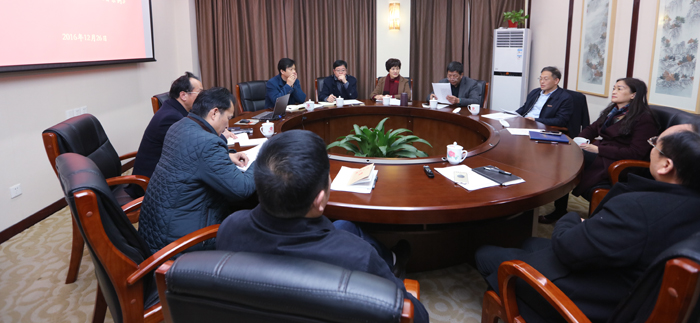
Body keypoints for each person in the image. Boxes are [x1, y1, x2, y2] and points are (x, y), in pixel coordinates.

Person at [475, 124, 700, 323]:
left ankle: (512, 302)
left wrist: (574, 218)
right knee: (529, 242)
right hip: (619, 280)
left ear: (665, 165)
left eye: (655, 144)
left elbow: (567, 247)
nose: (651, 149)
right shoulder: (688, 204)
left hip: (587, 298)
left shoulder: (638, 209)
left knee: (485, 254)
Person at [216, 130, 429, 323]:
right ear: (319, 201)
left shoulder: (229, 228)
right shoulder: (358, 257)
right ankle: (394, 262)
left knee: (345, 226)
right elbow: (416, 317)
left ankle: (393, 259)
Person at [138, 87, 256, 254]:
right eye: (228, 118)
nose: (228, 125)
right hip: (182, 243)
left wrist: (227, 156)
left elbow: (191, 157)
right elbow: (242, 189)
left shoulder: (179, 126)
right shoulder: (207, 143)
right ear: (214, 113)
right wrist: (260, 161)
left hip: (156, 232)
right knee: (251, 221)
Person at [540, 77, 659, 223]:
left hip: (619, 163)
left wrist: (598, 149)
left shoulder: (644, 118)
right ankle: (558, 209)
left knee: (565, 159)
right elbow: (592, 129)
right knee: (564, 153)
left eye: (619, 89)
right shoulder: (613, 111)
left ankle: (559, 211)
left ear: (633, 95)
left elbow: (636, 153)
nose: (614, 91)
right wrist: (578, 140)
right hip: (604, 154)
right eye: (614, 88)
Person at [126, 72, 203, 199]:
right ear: (183, 95)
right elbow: (193, 147)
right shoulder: (171, 117)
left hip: (164, 171)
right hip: (151, 183)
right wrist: (220, 135)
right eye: (199, 92)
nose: (202, 97)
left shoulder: (174, 109)